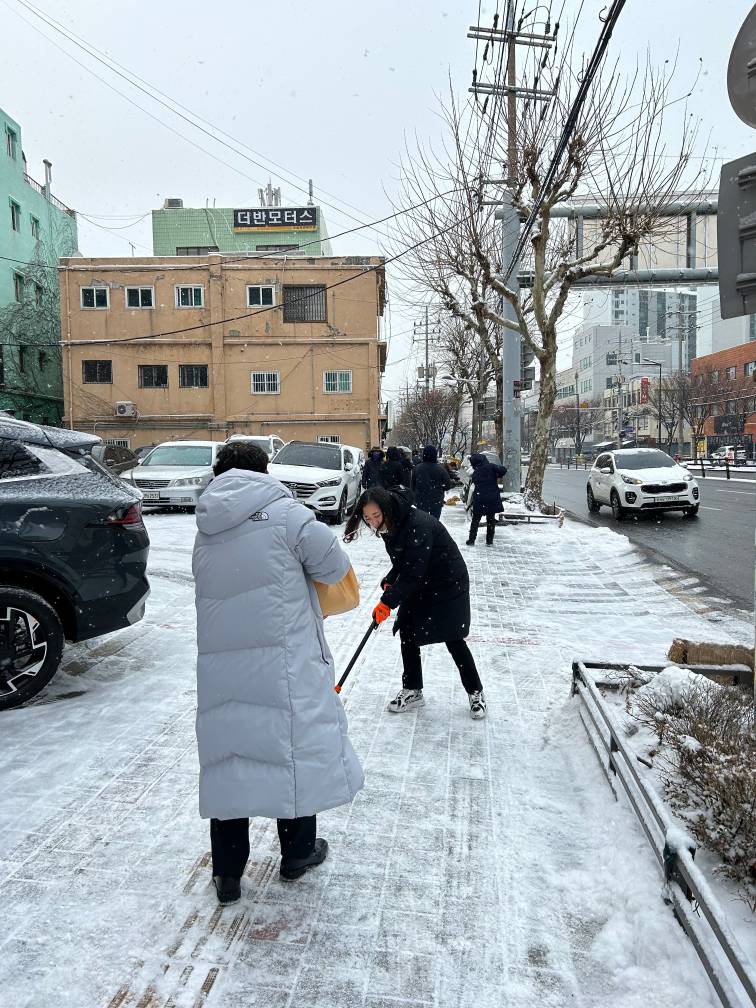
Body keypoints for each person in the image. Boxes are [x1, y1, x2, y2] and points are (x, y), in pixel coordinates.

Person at [193, 441, 364, 905]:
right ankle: (297, 853)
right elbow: (334, 565)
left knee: (231, 757)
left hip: (223, 662)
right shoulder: (288, 514)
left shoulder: (207, 523)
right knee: (293, 748)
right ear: (264, 471)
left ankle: (228, 875)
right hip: (284, 660)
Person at [344, 487, 486, 720]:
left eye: (376, 516)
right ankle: (413, 690)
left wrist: (386, 603)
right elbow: (404, 561)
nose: (373, 523)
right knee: (408, 631)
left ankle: (475, 692)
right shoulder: (392, 522)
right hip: (422, 580)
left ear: (386, 509)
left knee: (453, 637)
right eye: (368, 518)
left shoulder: (418, 525)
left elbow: (413, 572)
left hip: (447, 582)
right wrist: (390, 580)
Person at [466, 453, 507, 547]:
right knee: (491, 520)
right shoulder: (491, 467)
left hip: (480, 498)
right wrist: (498, 475)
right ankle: (489, 541)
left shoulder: (475, 472)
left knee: (475, 520)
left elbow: (475, 482)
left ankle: (471, 540)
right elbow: (503, 470)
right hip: (491, 498)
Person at [411, 444, 451, 519]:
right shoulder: (441, 469)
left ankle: (423, 531)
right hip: (436, 500)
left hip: (421, 500)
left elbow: (412, 485)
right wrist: (440, 489)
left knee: (422, 522)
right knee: (435, 522)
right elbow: (448, 485)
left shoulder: (417, 468)